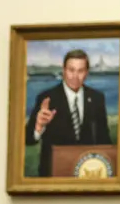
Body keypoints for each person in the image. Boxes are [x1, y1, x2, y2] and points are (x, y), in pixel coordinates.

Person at [24, 48, 112, 177]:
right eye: (71, 70)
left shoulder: (97, 98)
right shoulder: (47, 98)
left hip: (87, 175)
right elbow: (28, 139)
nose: (75, 76)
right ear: (64, 70)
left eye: (80, 71)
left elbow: (104, 140)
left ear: (86, 73)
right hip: (53, 176)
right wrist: (38, 126)